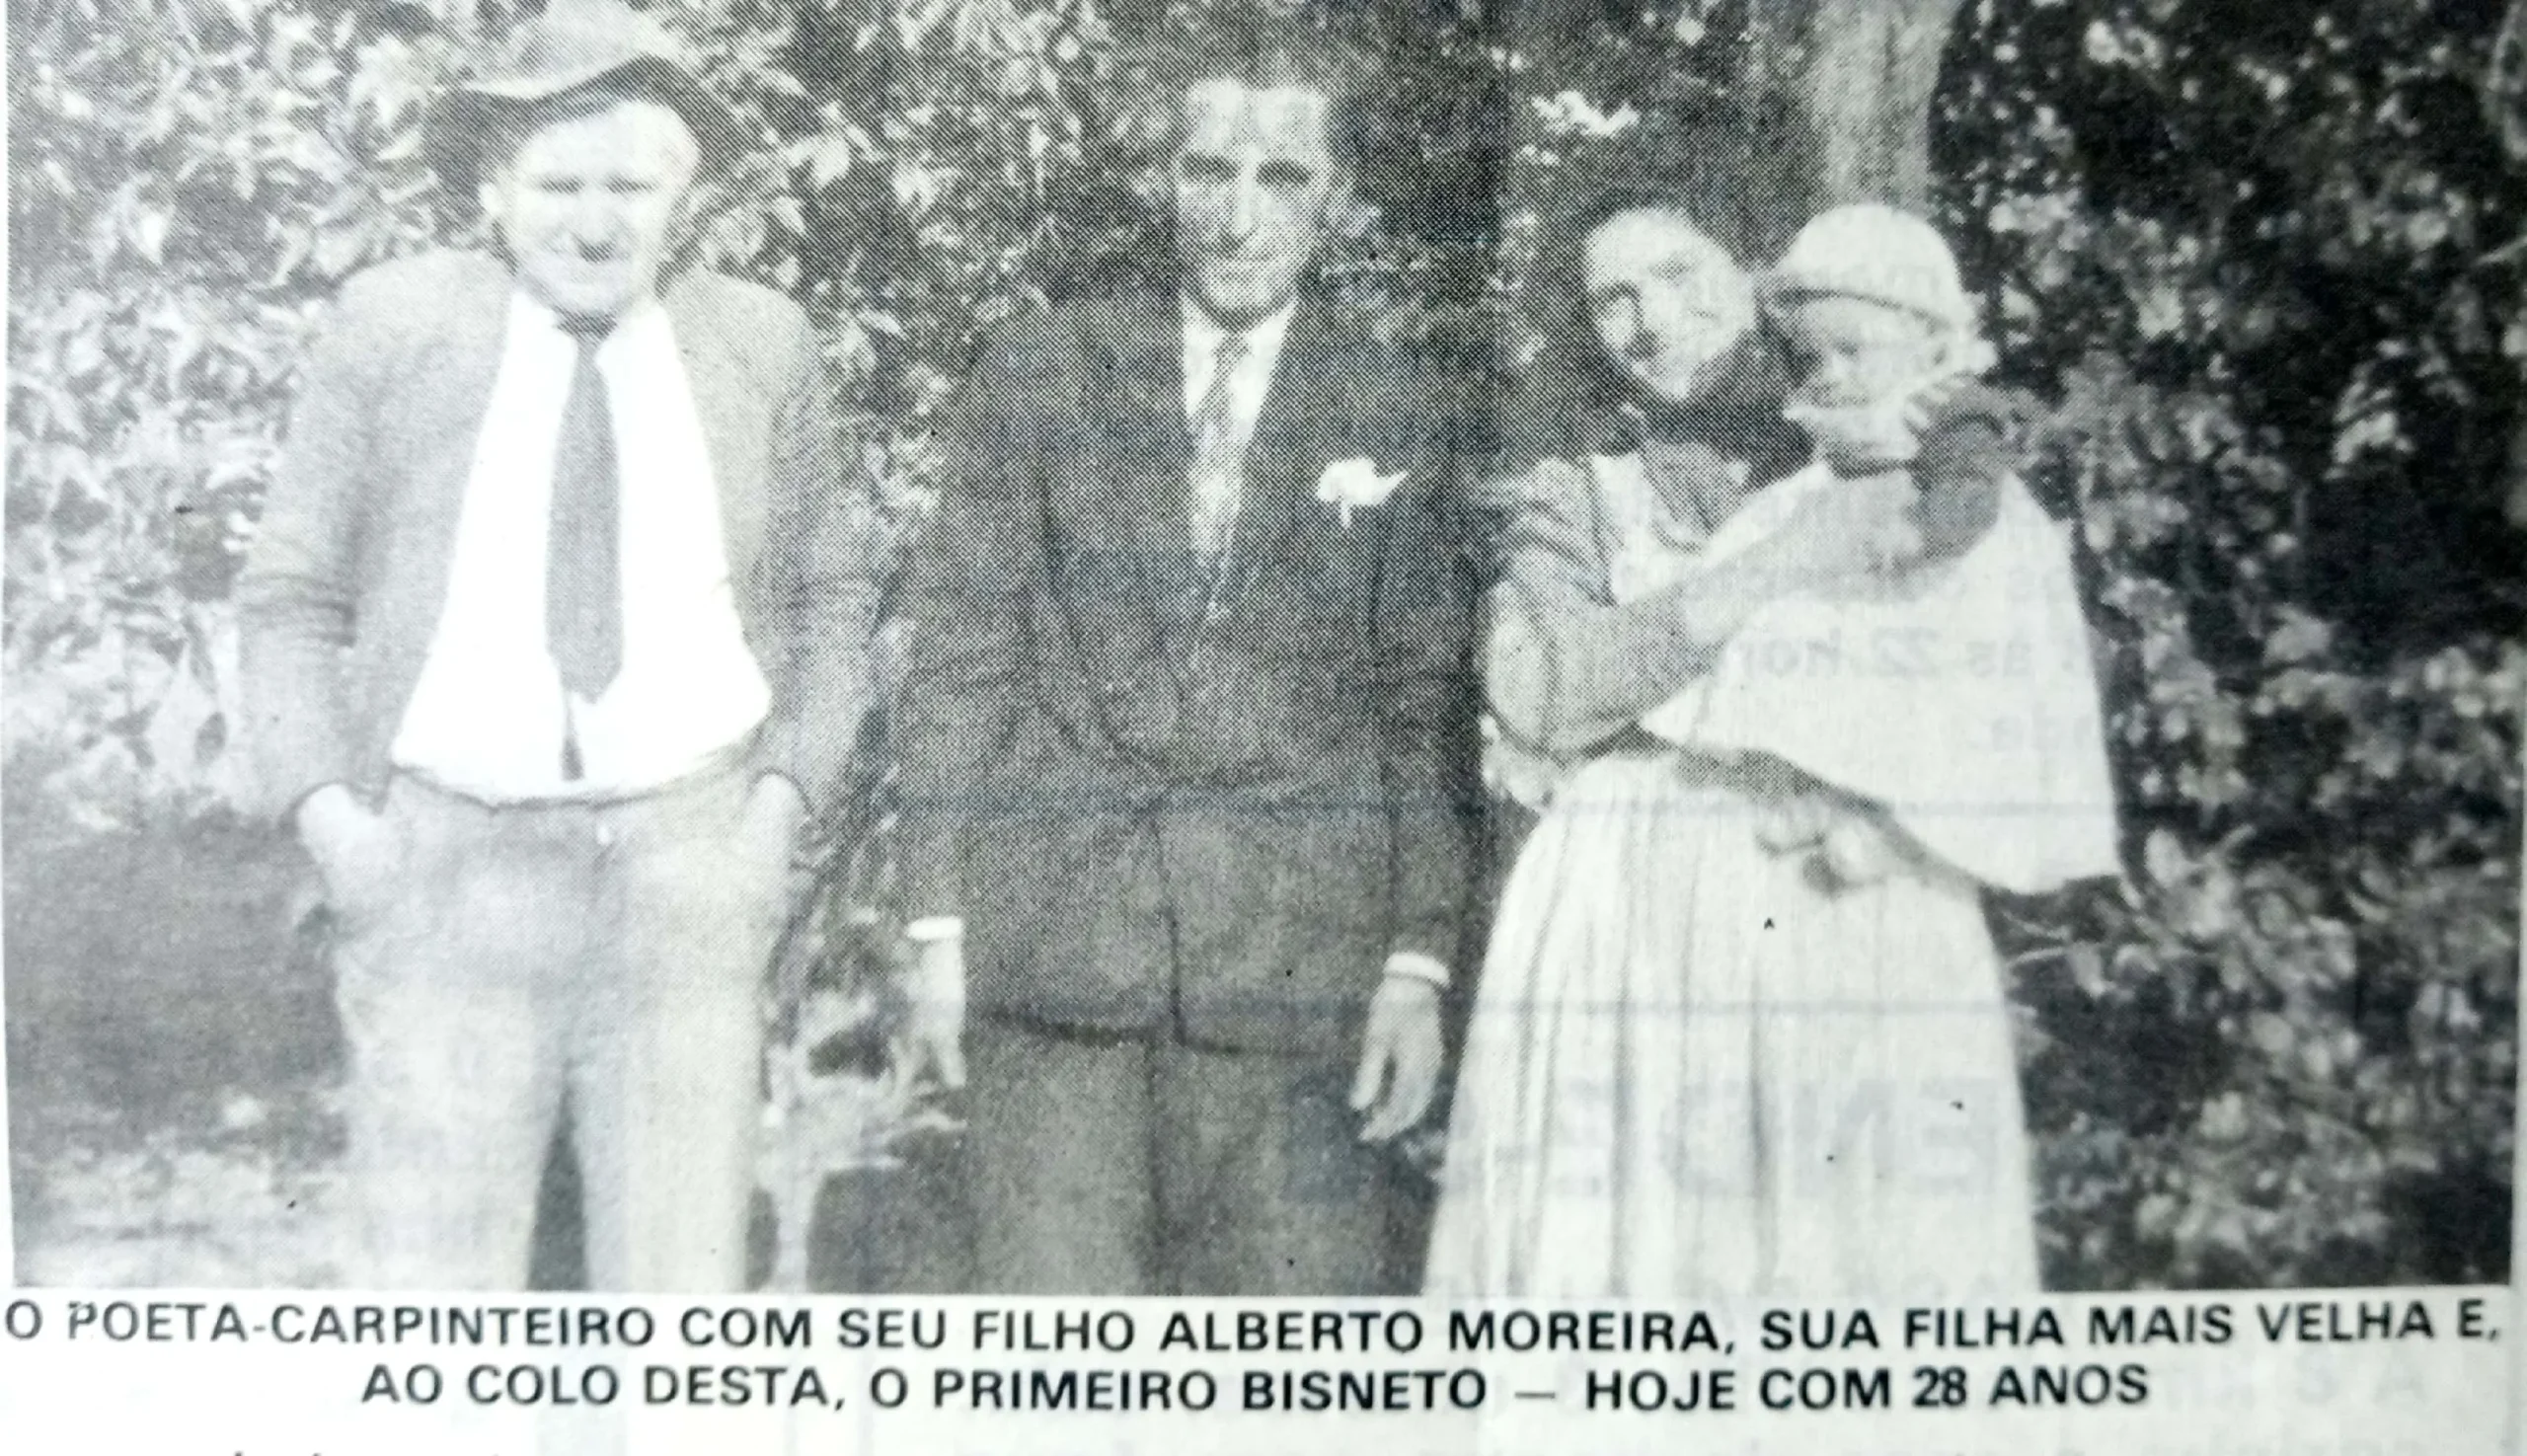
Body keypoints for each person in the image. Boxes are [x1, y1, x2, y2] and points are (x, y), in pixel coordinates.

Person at [236, 0, 880, 1292]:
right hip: (447, 881)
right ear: (493, 187)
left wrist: (775, 813)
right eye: (559, 181)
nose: (595, 220)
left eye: (632, 185)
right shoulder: (395, 323)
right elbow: (290, 596)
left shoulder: (758, 340)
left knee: (675, 1317)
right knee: (437, 1316)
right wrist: (339, 827)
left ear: (685, 193)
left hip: (683, 879)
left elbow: (833, 592)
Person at [1424, 193, 2112, 1298]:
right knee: (1642, 1254)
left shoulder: (1885, 417)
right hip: (1634, 902)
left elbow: (2014, 628)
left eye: (1682, 272)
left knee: (1841, 1241)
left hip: (1847, 894)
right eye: (1614, 299)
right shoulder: (1571, 483)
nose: (1654, 319)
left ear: (1754, 272)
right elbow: (1546, 690)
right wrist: (1777, 565)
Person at [893, 27, 1477, 1294]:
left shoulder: (1393, 405)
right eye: (1207, 171)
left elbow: (1418, 708)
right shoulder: (1042, 370)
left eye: (1282, 179)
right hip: (1053, 965)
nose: (1237, 216)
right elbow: (960, 656)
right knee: (1059, 1365)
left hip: (1292, 979)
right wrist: (937, 925)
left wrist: (1413, 963)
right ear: (1162, 179)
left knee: (1281, 1377)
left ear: (1340, 197)